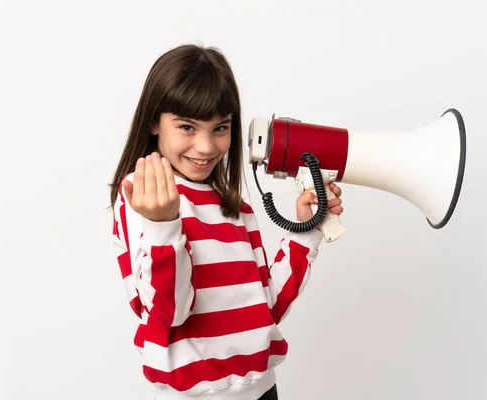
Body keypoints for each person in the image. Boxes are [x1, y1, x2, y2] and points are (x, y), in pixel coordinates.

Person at [109, 44, 344, 400]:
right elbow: (168, 314)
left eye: (220, 128)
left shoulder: (236, 207)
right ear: (155, 121)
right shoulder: (142, 195)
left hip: (264, 390)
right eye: (187, 127)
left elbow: (266, 309)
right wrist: (162, 226)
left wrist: (306, 232)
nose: (205, 147)